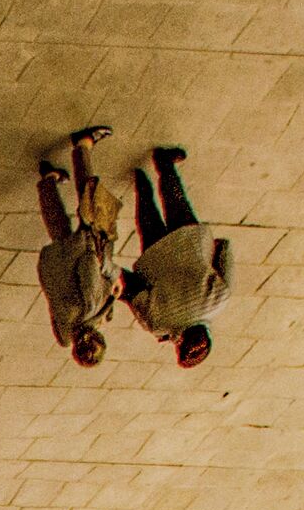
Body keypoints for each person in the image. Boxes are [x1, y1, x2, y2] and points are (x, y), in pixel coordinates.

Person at [118, 145, 231, 367]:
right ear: (179, 343)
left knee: (176, 202)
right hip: (155, 254)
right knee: (147, 214)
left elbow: (224, 257)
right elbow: (134, 289)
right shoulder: (157, 324)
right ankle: (140, 181)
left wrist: (220, 247)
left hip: (190, 241)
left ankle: (165, 165)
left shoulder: (219, 302)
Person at [33, 123, 119, 365]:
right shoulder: (63, 337)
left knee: (89, 198)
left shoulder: (91, 306)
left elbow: (89, 264)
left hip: (80, 252)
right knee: (58, 227)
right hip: (54, 266)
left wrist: (111, 278)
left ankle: (83, 146)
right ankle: (48, 179)